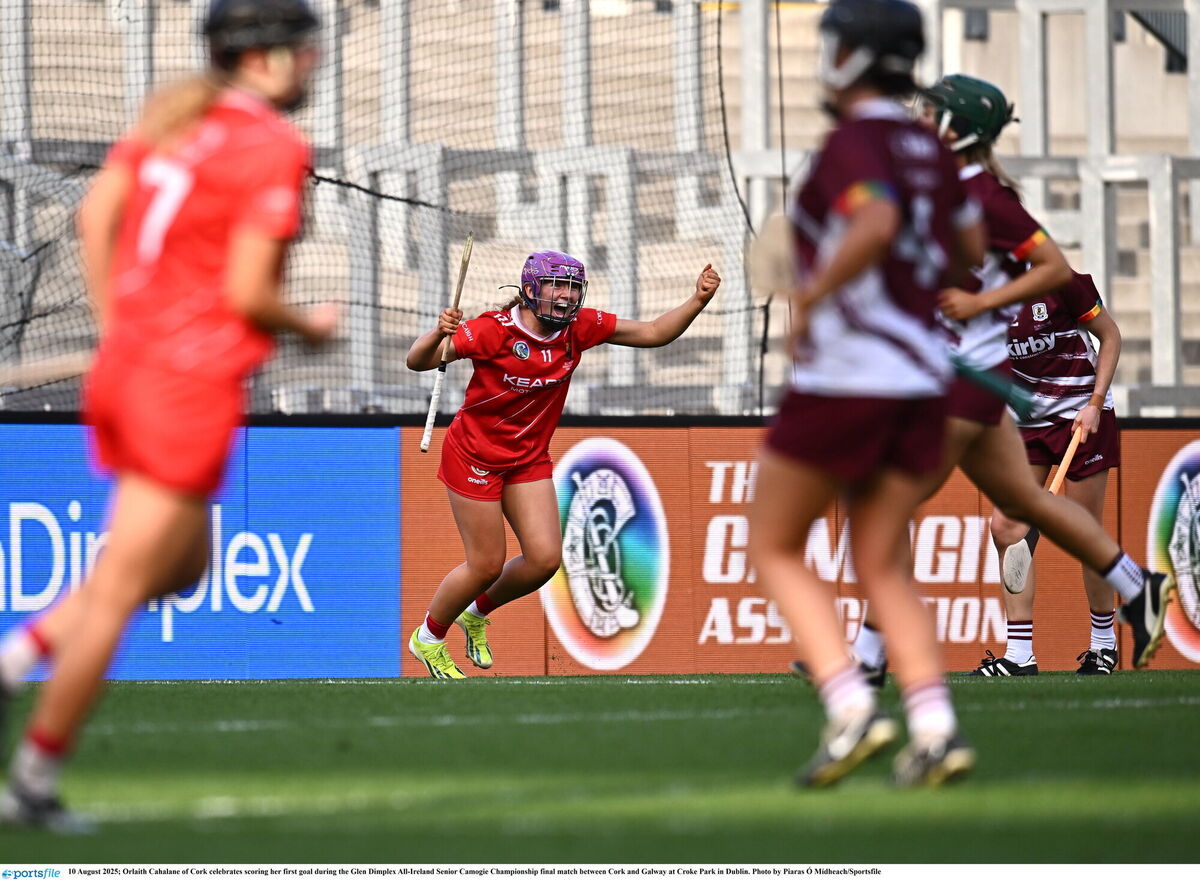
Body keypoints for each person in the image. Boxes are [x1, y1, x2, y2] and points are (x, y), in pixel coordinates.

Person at [0, 0, 336, 831]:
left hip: (131, 371)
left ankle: (15, 663)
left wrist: (120, 324)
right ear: (260, 59)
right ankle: (31, 784)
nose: (312, 65)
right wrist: (310, 325)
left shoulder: (172, 117)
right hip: (184, 385)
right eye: (301, 51)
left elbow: (94, 214)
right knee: (119, 589)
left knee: (179, 569)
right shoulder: (270, 147)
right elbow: (249, 294)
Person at [845, 74, 1172, 683]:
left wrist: (1093, 401)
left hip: (1026, 400)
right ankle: (1126, 595)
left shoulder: (986, 200)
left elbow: (1053, 273)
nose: (924, 121)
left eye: (935, 114)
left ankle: (872, 657)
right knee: (1010, 520)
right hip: (999, 398)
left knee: (894, 499)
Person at [747, 0, 988, 789]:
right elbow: (969, 247)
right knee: (884, 565)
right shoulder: (930, 144)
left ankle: (851, 709)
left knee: (777, 544)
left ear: (852, 57)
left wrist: (813, 297)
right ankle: (934, 730)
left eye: (833, 45)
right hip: (923, 378)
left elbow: (877, 222)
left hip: (850, 376)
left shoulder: (855, 141)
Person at [406, 252, 721, 679]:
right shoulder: (491, 331)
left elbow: (652, 332)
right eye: (557, 285)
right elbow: (419, 360)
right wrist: (435, 334)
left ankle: (475, 614)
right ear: (532, 289)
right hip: (474, 455)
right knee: (486, 565)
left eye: (573, 287)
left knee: (543, 561)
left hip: (527, 458)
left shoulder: (580, 328)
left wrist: (696, 300)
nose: (566, 296)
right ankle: (428, 638)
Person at [987, 272, 1123, 675]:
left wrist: (1095, 403)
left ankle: (1103, 645)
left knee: (1083, 531)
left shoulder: (1061, 280)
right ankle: (1019, 655)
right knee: (1005, 527)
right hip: (1026, 425)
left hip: (1081, 416)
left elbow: (1110, 336)